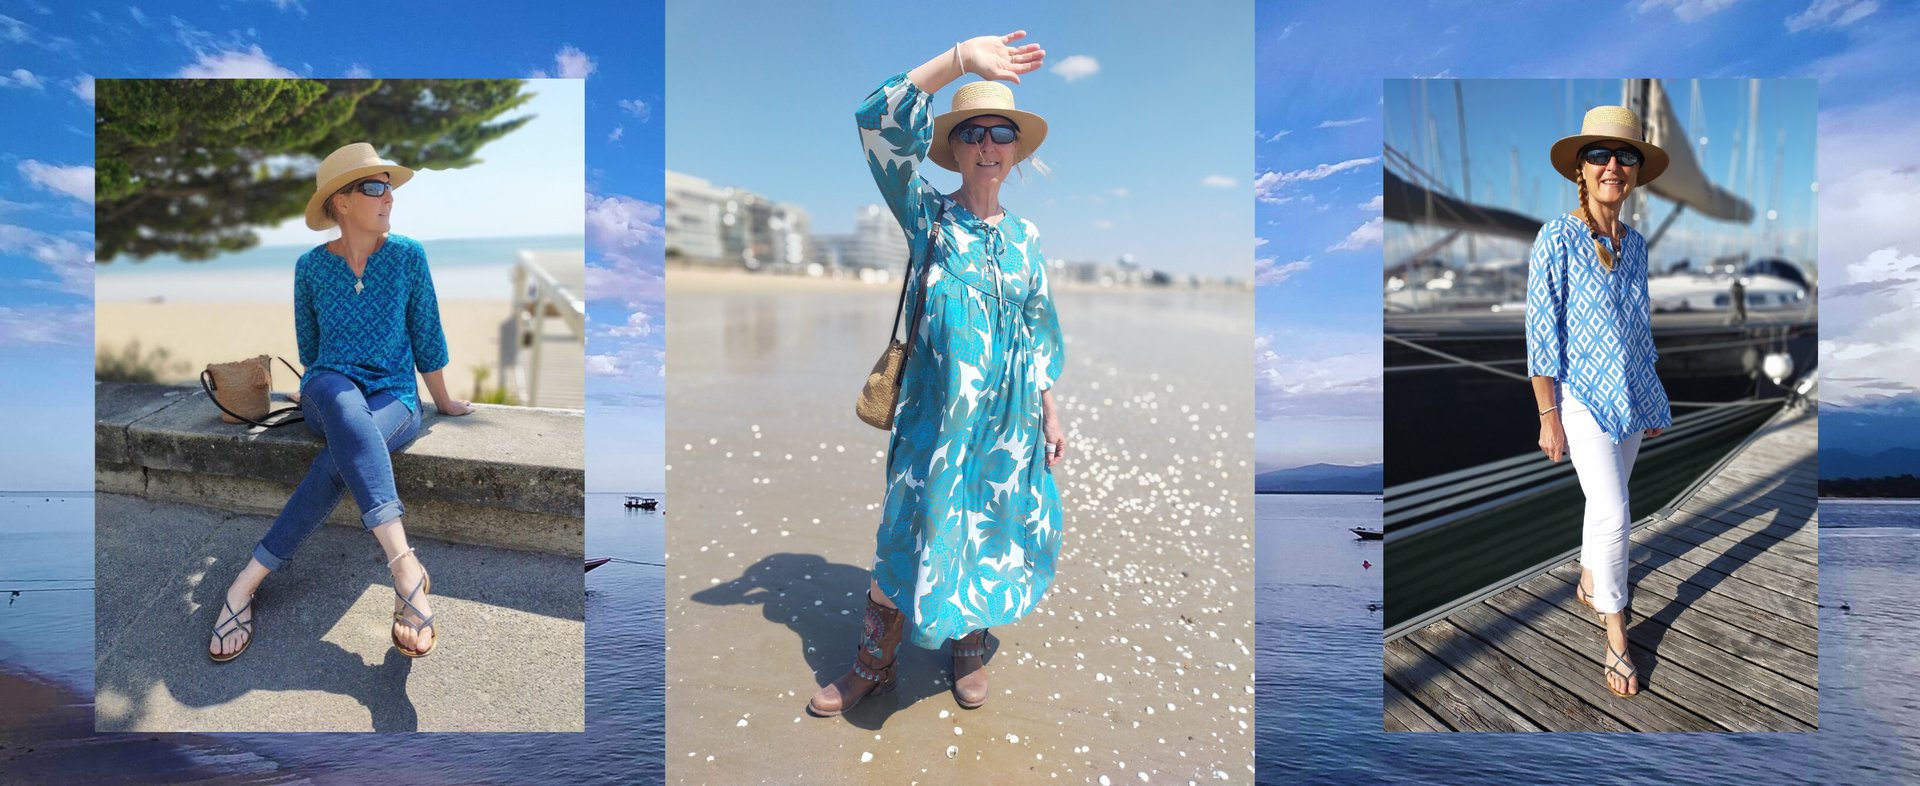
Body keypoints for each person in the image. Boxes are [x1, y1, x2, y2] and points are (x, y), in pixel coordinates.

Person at [808, 31, 1067, 716]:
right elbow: (876, 121)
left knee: (990, 524)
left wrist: (1049, 409)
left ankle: (966, 644)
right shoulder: (928, 216)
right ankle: (874, 662)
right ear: (954, 146)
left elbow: (1038, 330)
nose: (988, 144)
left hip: (1007, 422)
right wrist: (958, 60)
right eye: (974, 132)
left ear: (1015, 148)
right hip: (935, 414)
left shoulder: (1028, 240)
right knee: (905, 528)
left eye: (1001, 132)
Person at [207, 142, 474, 663]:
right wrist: (319, 387)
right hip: (329, 387)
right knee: (342, 402)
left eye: (389, 186)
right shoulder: (309, 268)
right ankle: (407, 573)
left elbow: (428, 339)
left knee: (337, 460)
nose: (388, 197)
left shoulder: (407, 257)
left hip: (394, 394)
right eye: (374, 187)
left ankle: (246, 581)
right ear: (341, 202)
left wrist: (443, 401)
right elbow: (311, 352)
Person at [1527, 106, 1673, 699]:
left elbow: (1639, 329)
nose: (1614, 166)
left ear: (1636, 171)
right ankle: (1617, 634)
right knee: (1615, 512)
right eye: (1600, 156)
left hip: (1632, 395)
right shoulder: (1556, 237)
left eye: (1626, 156)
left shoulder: (1634, 245)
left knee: (1601, 504)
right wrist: (1548, 415)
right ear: (1580, 171)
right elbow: (1542, 330)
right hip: (1582, 396)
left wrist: (1654, 398)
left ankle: (1589, 579)